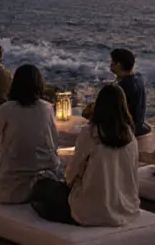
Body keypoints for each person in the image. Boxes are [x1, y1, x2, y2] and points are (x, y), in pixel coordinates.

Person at [29, 84, 140, 226]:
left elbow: (71, 176)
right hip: (126, 208)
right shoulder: (131, 137)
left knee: (42, 187)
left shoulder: (90, 134)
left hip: (92, 210)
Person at [0, 65, 60, 203]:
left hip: (13, 187)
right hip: (45, 178)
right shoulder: (47, 108)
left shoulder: (6, 109)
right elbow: (55, 141)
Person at [110, 48, 151, 137]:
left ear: (119, 64)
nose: (110, 64)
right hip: (139, 126)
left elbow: (117, 114)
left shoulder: (122, 87)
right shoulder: (138, 78)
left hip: (129, 130)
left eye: (113, 61)